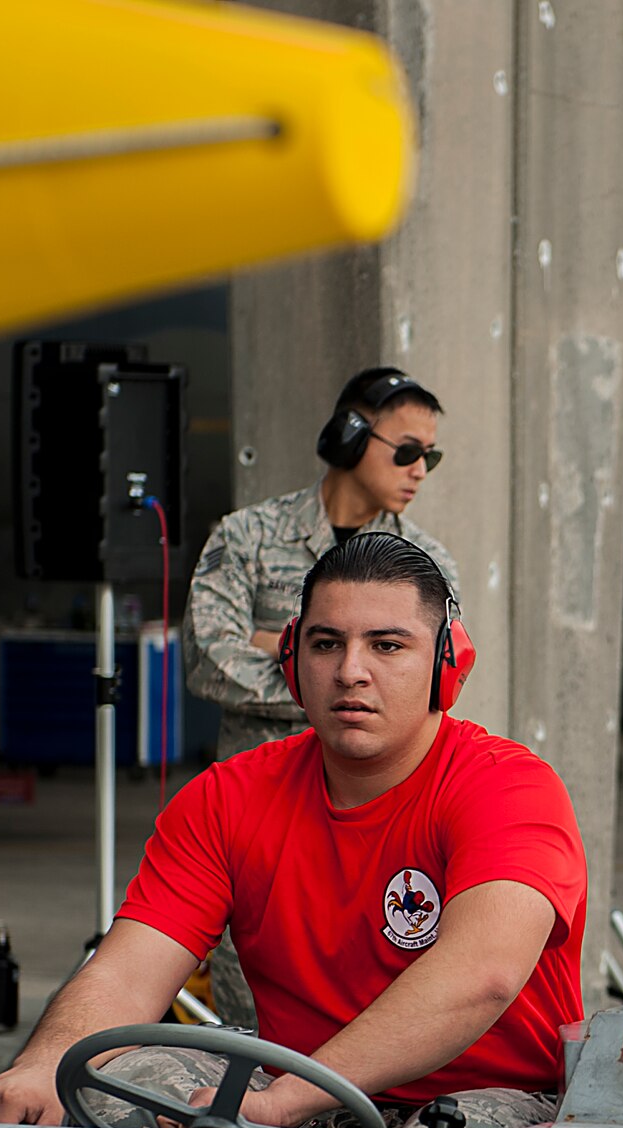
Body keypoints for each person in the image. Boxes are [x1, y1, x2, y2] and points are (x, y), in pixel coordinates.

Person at [0, 533, 586, 1128]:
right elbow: (129, 973)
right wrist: (44, 1067)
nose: (351, 671)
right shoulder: (227, 797)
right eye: (326, 644)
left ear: (446, 663)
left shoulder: (509, 789)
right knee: (104, 1090)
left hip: (492, 1100)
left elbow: (481, 975)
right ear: (293, 660)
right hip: (292, 1087)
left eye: (387, 646)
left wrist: (282, 1103)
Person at [184, 367, 460, 1024]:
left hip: (380, 829)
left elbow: (434, 687)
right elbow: (207, 660)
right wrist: (360, 693)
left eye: (432, 455)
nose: (421, 469)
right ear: (347, 438)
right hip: (262, 823)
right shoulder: (247, 537)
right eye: (407, 450)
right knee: (256, 1030)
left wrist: (274, 645)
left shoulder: (427, 565)